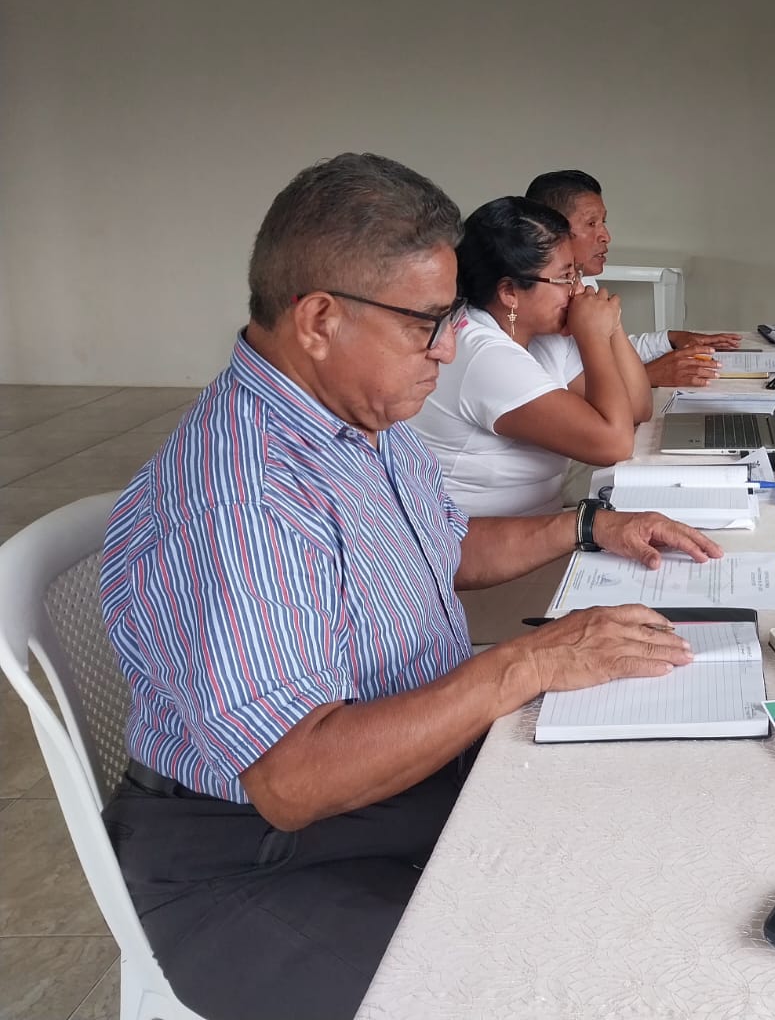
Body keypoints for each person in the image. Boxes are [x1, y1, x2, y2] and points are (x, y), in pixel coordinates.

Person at [99, 153, 723, 1020]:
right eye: (427, 324)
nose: (448, 349)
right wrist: (526, 663)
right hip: (253, 856)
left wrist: (587, 527)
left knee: (640, 842)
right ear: (321, 318)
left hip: (392, 777)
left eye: (452, 319)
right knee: (542, 987)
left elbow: (443, 546)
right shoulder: (243, 494)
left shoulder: (362, 417)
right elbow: (294, 779)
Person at [409, 196, 652, 516]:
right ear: (509, 292)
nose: (577, 290)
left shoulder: (539, 330)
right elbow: (615, 443)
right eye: (564, 278)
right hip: (472, 538)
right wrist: (594, 335)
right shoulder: (484, 356)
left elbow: (637, 408)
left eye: (576, 274)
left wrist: (611, 323)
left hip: (539, 522)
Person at [526, 170, 740, 387]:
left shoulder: (583, 282)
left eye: (603, 222)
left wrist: (671, 339)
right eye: (591, 224)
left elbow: (610, 351)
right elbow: (571, 396)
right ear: (551, 229)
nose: (606, 236)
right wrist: (652, 374)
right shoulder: (542, 308)